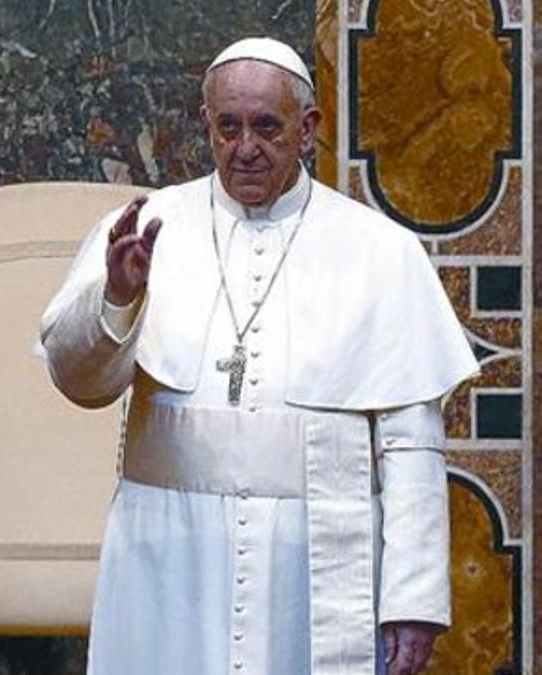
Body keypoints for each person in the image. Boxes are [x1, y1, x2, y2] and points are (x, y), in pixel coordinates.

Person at [40, 37, 478, 675]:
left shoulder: (382, 252)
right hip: (168, 560)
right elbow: (78, 383)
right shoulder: (145, 228)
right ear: (206, 124)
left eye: (267, 127)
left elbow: (413, 448)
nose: (245, 148)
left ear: (308, 129)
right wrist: (117, 296)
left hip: (315, 565)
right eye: (229, 127)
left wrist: (413, 599)